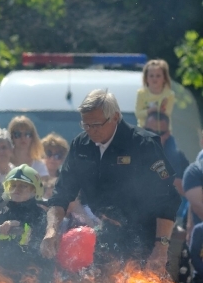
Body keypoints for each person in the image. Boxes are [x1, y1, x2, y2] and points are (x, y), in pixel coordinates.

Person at [41, 89, 180, 271]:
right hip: (105, 233)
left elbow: (167, 198)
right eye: (86, 125)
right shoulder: (81, 145)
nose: (90, 130)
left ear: (115, 117)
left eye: (96, 124)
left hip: (145, 238)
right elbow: (62, 193)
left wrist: (161, 248)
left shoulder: (142, 145)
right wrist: (52, 230)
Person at [145, 113, 188, 197]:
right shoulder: (130, 153)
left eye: (158, 133)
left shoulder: (178, 159)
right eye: (149, 131)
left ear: (167, 134)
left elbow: (191, 190)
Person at [136, 58, 175, 128]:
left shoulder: (169, 95)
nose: (154, 79)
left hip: (162, 131)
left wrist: (162, 107)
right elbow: (138, 114)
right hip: (144, 129)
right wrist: (151, 110)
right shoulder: (141, 93)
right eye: (151, 76)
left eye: (158, 76)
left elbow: (167, 114)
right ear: (146, 78)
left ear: (164, 78)